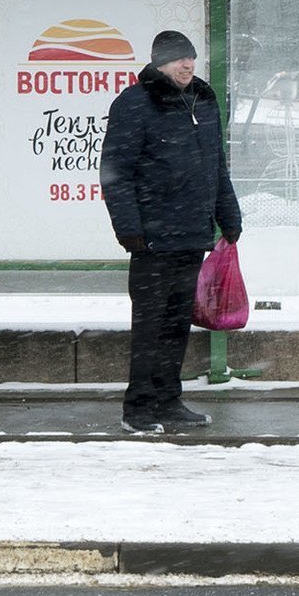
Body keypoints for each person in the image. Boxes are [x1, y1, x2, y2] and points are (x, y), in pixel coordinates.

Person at [100, 29, 242, 435]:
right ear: (159, 62)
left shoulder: (203, 100)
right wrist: (129, 228)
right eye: (179, 59)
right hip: (152, 238)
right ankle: (138, 408)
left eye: (191, 58)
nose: (187, 65)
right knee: (149, 327)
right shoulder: (134, 102)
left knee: (176, 325)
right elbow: (116, 172)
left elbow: (216, 165)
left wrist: (228, 215)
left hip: (192, 235)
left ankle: (168, 400)